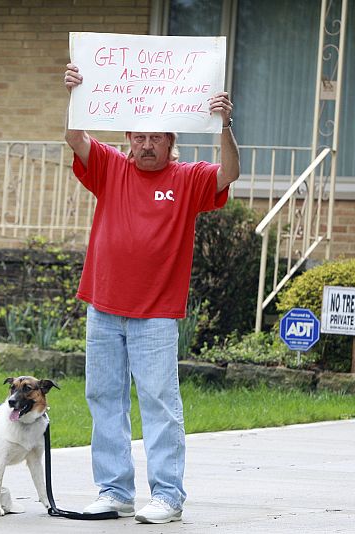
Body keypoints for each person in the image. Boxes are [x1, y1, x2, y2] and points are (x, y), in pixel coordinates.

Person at [63, 62, 240, 524]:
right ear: (128, 139)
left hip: (156, 314)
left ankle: (167, 496)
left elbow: (229, 172)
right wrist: (76, 95)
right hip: (103, 307)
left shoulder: (187, 178)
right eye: (138, 137)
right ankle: (114, 491)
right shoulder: (110, 168)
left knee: (160, 403)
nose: (146, 145)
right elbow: (75, 138)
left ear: (170, 141)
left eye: (156, 138)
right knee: (104, 399)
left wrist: (225, 125)